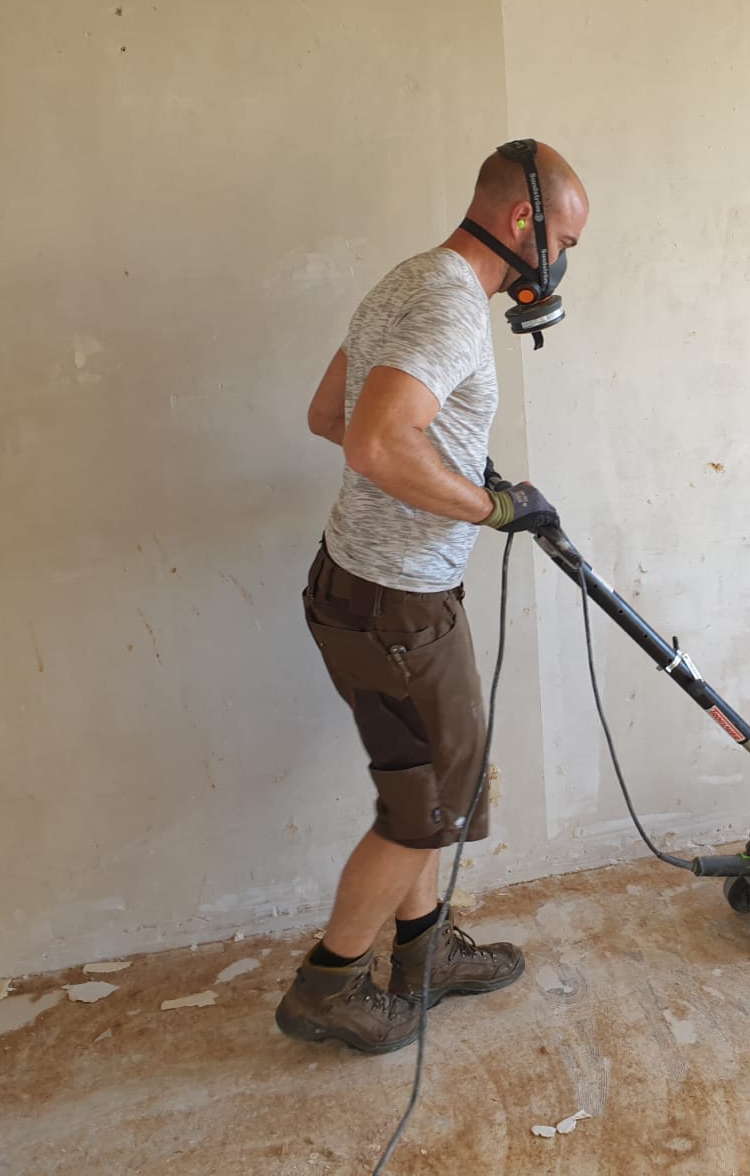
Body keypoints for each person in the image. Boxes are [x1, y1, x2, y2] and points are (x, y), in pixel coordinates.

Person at [276, 141, 590, 1054]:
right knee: (437, 805)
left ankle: (423, 954)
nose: (562, 264)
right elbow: (372, 442)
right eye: (566, 242)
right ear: (525, 222)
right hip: (402, 606)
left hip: (350, 586)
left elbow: (330, 413)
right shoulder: (453, 307)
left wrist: (451, 462)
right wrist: (492, 507)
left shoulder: (408, 280)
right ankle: (329, 985)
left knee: (414, 790)